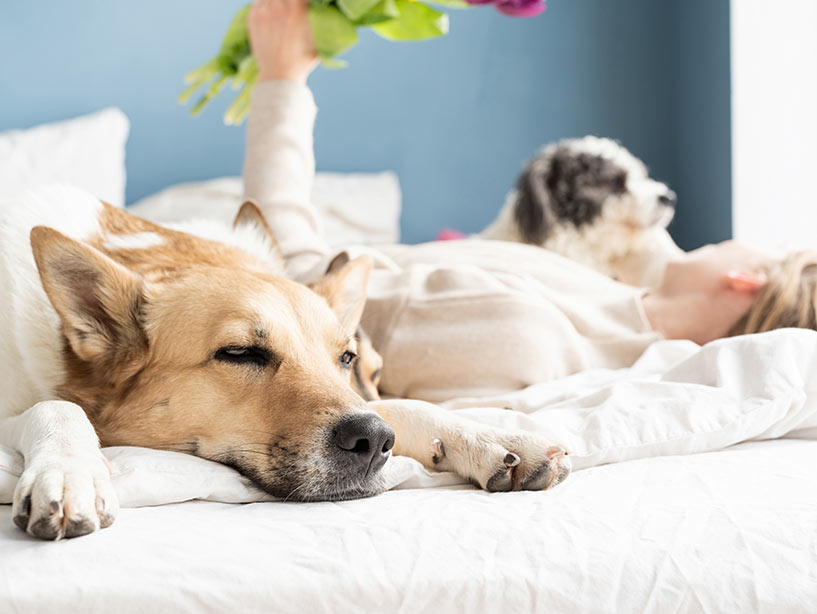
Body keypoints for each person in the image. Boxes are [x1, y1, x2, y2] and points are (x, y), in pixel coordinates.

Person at [242, 0, 815, 403]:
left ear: (747, 276)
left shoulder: (523, 331)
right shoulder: (587, 299)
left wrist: (281, 79)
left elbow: (289, 280)